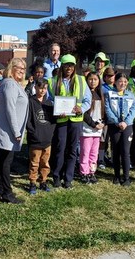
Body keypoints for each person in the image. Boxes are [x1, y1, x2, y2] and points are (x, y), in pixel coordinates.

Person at [0, 58, 29, 204]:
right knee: (5, 163)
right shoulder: (10, 84)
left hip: (6, 130)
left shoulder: (11, 84)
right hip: (8, 131)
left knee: (2, 161)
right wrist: (16, 132)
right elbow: (10, 109)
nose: (22, 70)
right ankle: (7, 193)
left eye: (24, 68)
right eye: (19, 67)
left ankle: (0, 190)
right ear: (11, 68)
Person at [48, 54, 92, 189]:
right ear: (62, 66)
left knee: (72, 150)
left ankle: (68, 179)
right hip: (61, 119)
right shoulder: (53, 81)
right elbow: (49, 99)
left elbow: (87, 101)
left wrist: (81, 108)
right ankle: (56, 176)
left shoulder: (81, 80)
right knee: (60, 148)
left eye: (71, 65)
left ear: (74, 67)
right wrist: (55, 108)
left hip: (76, 120)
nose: (69, 68)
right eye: (66, 65)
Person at [105, 72, 135, 186]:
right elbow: (108, 109)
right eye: (120, 81)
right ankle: (116, 175)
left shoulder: (130, 94)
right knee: (116, 151)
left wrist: (126, 122)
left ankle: (126, 177)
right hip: (114, 126)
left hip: (127, 126)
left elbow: (134, 109)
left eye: (124, 81)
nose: (122, 84)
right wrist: (117, 122)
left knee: (125, 151)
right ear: (115, 82)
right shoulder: (109, 94)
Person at [26, 78, 55, 194]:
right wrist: (33, 132)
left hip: (47, 139)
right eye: (40, 88)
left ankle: (43, 181)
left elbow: (53, 120)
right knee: (34, 163)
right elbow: (27, 120)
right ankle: (32, 183)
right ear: (36, 87)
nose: (42, 90)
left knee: (45, 162)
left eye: (45, 88)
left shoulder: (49, 103)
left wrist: (50, 133)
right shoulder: (30, 102)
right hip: (35, 139)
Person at [79, 72, 106, 184]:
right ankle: (84, 173)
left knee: (94, 153)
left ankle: (92, 172)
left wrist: (102, 123)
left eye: (95, 79)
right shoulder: (84, 94)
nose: (93, 81)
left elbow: (104, 112)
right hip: (87, 129)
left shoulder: (100, 94)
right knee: (85, 152)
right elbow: (83, 113)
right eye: (90, 79)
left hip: (98, 130)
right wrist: (93, 124)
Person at [98, 66, 116, 169]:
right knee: (103, 139)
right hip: (104, 117)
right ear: (105, 77)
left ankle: (113, 159)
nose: (111, 77)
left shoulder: (116, 87)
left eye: (112, 75)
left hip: (114, 118)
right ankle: (101, 159)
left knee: (114, 140)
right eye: (108, 76)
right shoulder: (101, 87)